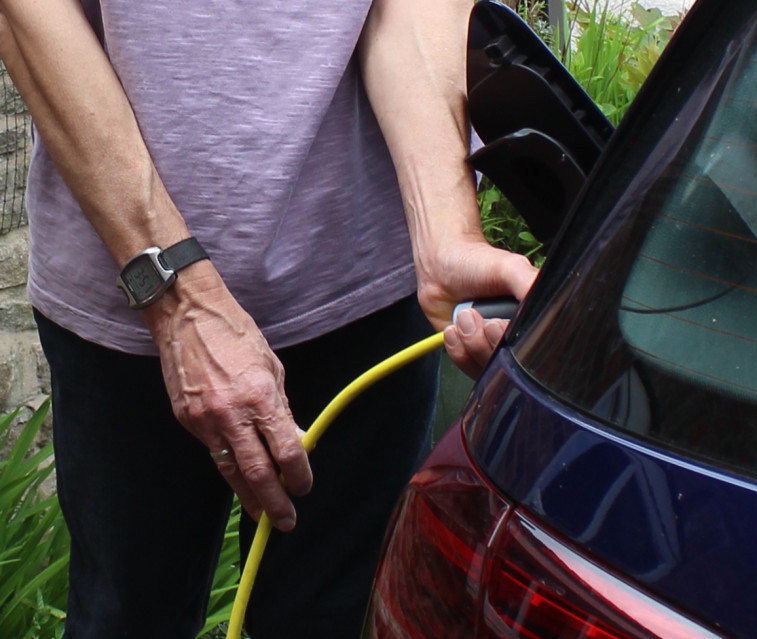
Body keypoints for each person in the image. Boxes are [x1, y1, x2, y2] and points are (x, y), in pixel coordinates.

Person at [0, 0, 537, 637]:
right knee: (129, 618)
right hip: (127, 302)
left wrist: (446, 232)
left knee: (334, 618)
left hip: (361, 288)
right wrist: (178, 299)